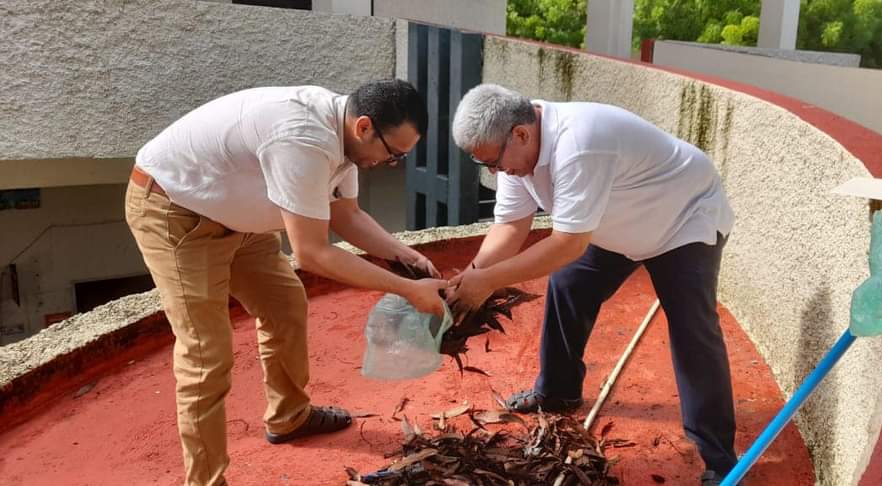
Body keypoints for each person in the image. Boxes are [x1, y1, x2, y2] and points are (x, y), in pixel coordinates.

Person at [125, 79, 448, 486]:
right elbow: (313, 253)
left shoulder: (346, 139)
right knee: (207, 353)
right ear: (364, 126)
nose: (390, 163)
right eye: (392, 155)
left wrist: (407, 256)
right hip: (176, 211)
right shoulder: (304, 136)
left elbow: (346, 216)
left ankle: (289, 416)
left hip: (237, 219)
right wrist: (407, 290)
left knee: (286, 306)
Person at [446, 84, 738, 484]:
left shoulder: (579, 143)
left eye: (495, 163)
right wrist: (468, 280)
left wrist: (488, 282)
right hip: (614, 222)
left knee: (693, 328)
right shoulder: (514, 153)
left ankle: (720, 460)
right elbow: (511, 226)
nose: (496, 173)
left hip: (682, 218)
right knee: (568, 285)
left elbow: (567, 243)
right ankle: (558, 390)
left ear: (520, 133)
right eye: (487, 166)